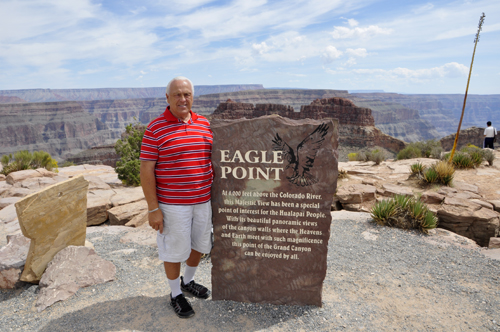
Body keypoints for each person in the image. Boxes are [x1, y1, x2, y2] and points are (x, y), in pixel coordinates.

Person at [139, 76, 213, 319]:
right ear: (167, 98)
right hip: (172, 205)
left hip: (202, 201)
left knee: (198, 245)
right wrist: (153, 209)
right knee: (173, 250)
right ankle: (175, 294)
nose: (183, 99)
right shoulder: (155, 128)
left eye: (187, 94)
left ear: (193, 96)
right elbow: (146, 170)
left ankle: (188, 281)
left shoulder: (204, 123)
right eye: (177, 94)